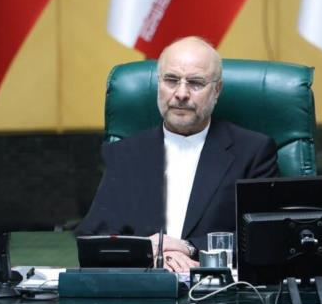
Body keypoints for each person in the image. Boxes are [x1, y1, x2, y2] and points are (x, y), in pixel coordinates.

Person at [76, 36, 279, 271]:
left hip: (217, 290)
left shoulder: (253, 151)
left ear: (217, 90)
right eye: (171, 80)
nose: (181, 94)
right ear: (159, 84)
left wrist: (188, 247)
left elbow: (266, 236)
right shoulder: (127, 154)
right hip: (145, 290)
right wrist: (147, 252)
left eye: (195, 83)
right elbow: (93, 240)